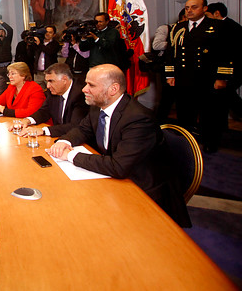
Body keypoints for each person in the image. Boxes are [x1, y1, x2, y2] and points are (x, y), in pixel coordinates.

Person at [46, 64, 190, 227]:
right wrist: (65, 142)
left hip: (144, 193)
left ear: (113, 89)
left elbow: (119, 167)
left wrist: (70, 155)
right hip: (117, 179)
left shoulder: (138, 119)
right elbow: (82, 129)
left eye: (91, 85)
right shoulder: (97, 107)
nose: (84, 89)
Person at [166, 0, 234, 152]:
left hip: (207, 79)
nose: (189, 10)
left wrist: (222, 77)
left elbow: (226, 54)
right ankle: (187, 143)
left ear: (204, 9)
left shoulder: (217, 26)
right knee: (185, 114)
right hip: (184, 78)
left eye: (194, 7)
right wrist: (170, 75)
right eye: (187, 8)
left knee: (209, 114)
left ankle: (210, 144)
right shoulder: (178, 27)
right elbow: (171, 53)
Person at [18, 63, 88, 138]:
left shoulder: (80, 94)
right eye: (47, 81)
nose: (48, 86)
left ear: (64, 80)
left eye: (51, 81)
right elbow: (44, 112)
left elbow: (75, 126)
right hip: (59, 136)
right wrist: (27, 120)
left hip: (78, 140)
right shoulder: (54, 91)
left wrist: (43, 130)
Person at [206, 2, 242, 121]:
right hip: (226, 72)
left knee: (229, 98)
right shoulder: (227, 25)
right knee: (224, 100)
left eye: (207, 15)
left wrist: (222, 77)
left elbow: (227, 54)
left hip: (231, 71)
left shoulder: (227, 27)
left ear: (216, 13)